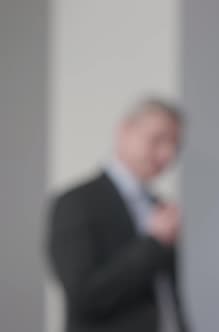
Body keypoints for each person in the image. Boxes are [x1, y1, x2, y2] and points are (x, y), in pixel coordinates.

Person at [47, 98, 189, 332]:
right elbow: (84, 297)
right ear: (125, 131)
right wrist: (153, 244)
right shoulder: (76, 202)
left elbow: (167, 297)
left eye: (175, 145)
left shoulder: (160, 206)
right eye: (158, 139)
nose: (168, 154)